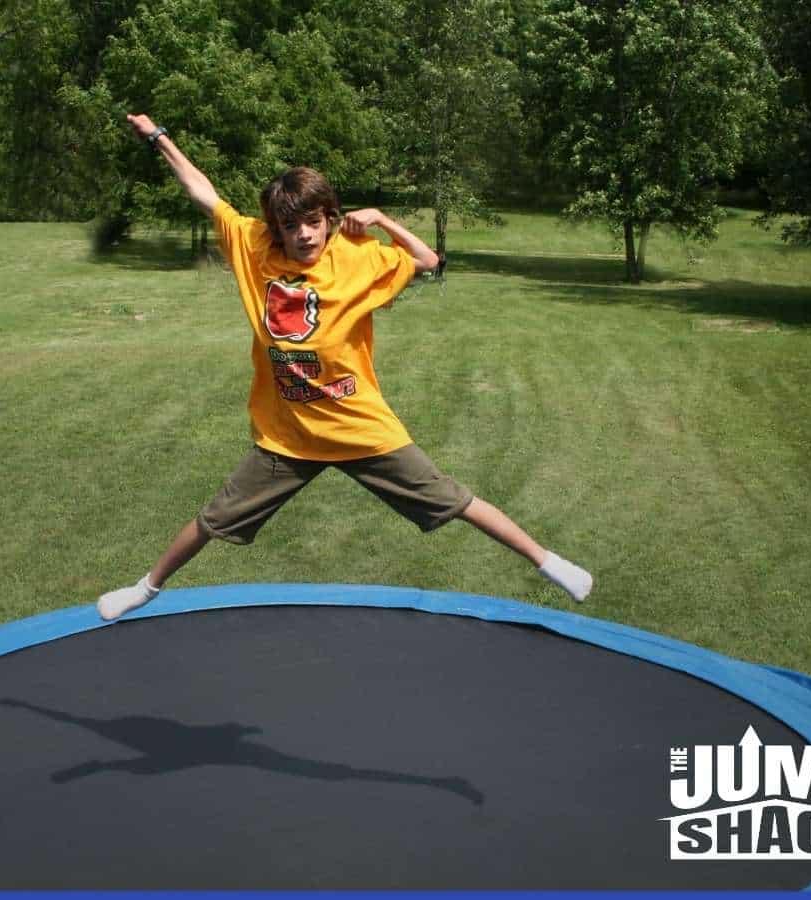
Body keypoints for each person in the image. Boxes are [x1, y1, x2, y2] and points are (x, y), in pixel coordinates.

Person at [97, 113, 592, 620]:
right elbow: (203, 192)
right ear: (276, 229)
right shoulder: (253, 249)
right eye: (290, 226)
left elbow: (427, 261)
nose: (304, 235)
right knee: (213, 518)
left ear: (330, 218)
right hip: (288, 437)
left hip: (360, 428)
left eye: (313, 222)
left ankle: (548, 561)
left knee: (453, 499)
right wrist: (160, 139)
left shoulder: (358, 258)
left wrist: (380, 219)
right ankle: (147, 588)